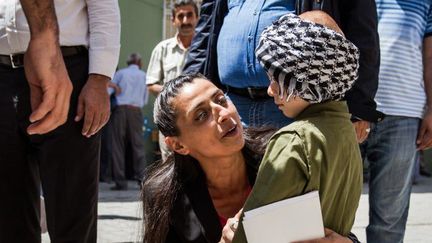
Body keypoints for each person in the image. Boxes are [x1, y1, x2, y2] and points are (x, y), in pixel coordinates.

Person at [142, 74, 360, 243]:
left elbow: (332, 225)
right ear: (178, 145)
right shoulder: (163, 193)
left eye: (221, 100)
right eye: (201, 115)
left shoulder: (280, 157)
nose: (224, 113)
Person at [231, 12, 363, 242]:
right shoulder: (346, 131)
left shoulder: (294, 139)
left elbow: (251, 233)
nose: (271, 90)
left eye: (277, 78)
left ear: (305, 79)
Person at [0, 0, 120, 242]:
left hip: (68, 71)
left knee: (72, 209)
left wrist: (99, 79)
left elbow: (103, 8)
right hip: (3, 75)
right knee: (8, 212)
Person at [183, 0, 384, 142]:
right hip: (231, 106)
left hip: (293, 109)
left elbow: (363, 37)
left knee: (291, 197)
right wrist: (184, 96)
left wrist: (358, 108)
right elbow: (204, 34)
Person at [360, 1, 432, 242]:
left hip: (404, 114)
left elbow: (430, 56)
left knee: (389, 222)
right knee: (331, 213)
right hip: (350, 112)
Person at [147, 0, 199, 160]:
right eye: (180, 16)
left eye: (189, 15)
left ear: (197, 17)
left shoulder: (204, 48)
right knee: (170, 165)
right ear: (173, 20)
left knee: (199, 163)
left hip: (199, 120)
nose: (185, 21)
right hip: (171, 120)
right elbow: (150, 84)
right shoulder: (162, 49)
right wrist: (175, 96)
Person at [109, 53, 148, 190]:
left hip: (120, 110)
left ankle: (120, 181)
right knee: (138, 145)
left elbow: (108, 91)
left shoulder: (120, 73)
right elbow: (145, 99)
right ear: (139, 62)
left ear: (128, 62)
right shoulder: (143, 75)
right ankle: (142, 179)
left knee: (117, 145)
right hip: (136, 110)